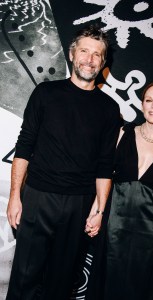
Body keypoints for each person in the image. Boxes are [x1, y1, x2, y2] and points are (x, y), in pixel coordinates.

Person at [6, 24, 121, 300]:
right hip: (38, 197)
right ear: (72, 55)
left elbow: (106, 164)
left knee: (62, 281)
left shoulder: (109, 109)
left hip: (79, 204)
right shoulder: (45, 94)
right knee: (24, 277)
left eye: (97, 54)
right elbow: (24, 147)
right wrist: (14, 196)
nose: (89, 59)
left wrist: (99, 210)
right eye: (84, 51)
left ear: (103, 63)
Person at [86, 82, 153, 300]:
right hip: (115, 220)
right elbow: (106, 175)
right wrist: (97, 211)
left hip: (151, 227)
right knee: (107, 279)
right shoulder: (124, 132)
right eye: (148, 100)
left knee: (141, 285)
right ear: (142, 105)